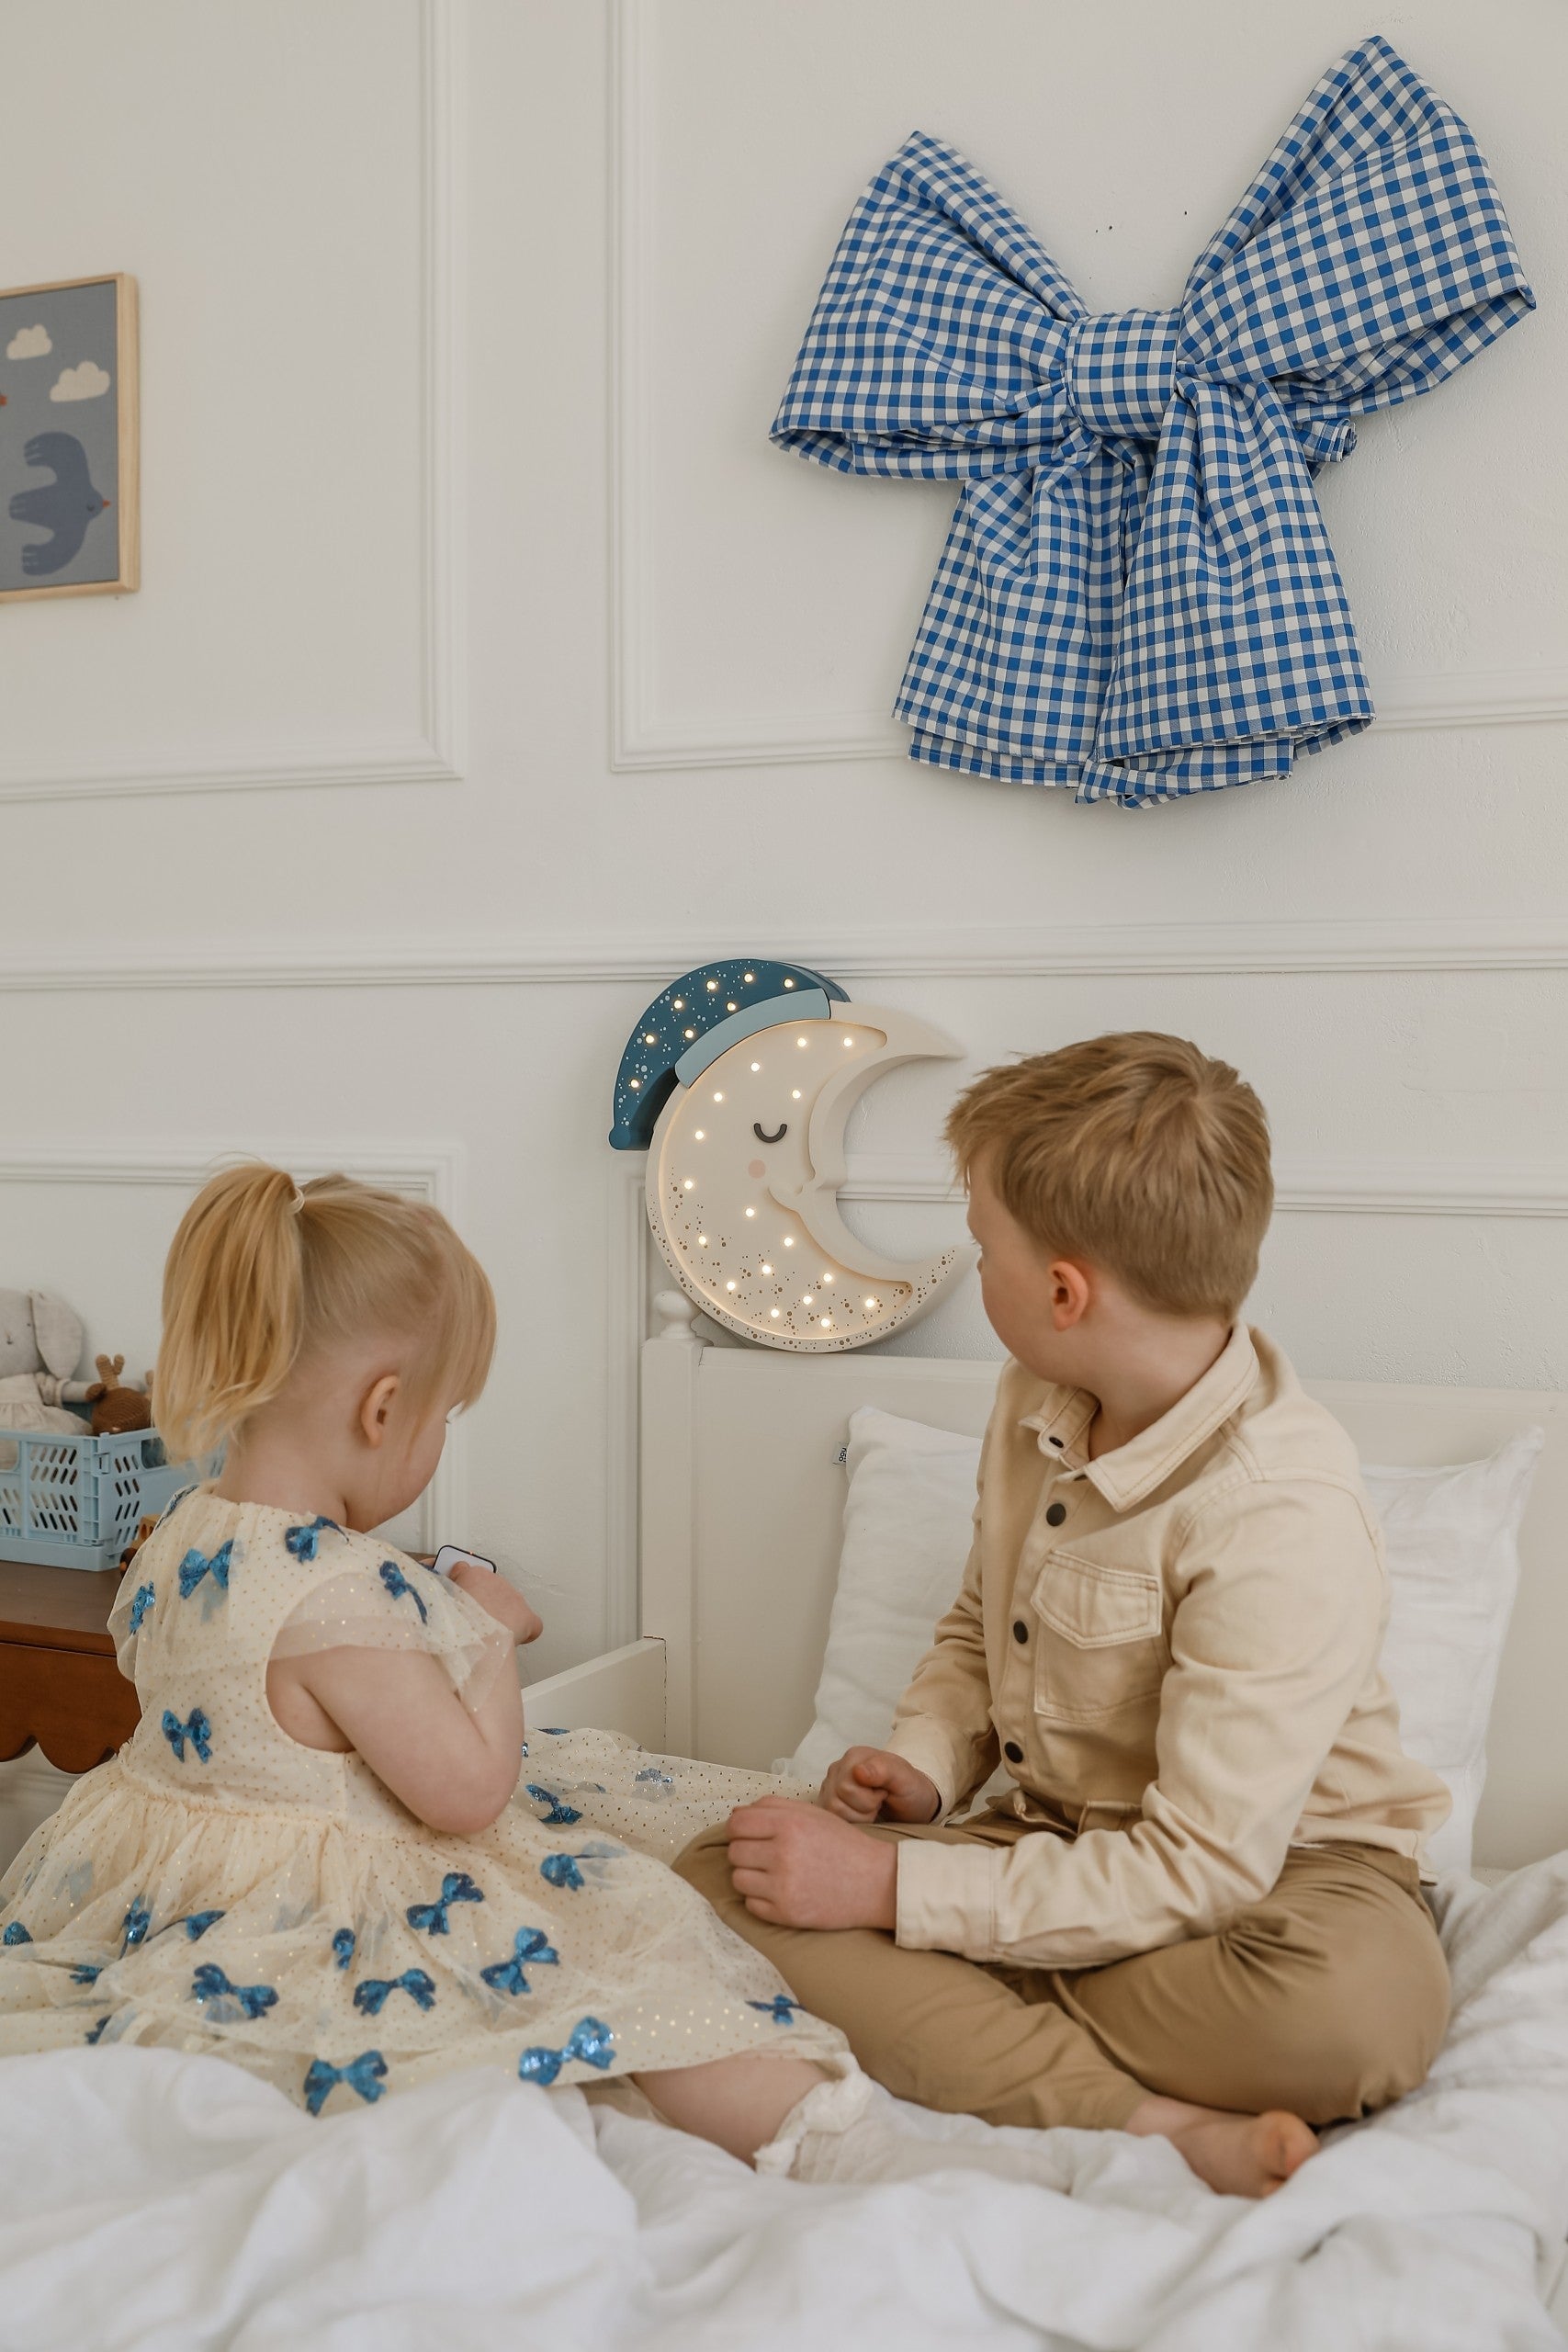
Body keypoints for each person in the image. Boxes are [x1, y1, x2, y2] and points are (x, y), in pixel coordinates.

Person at [0, 1163, 1096, 2195]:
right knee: (622, 1954)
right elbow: (469, 1791)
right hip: (317, 1901)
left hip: (176, 1883)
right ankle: (828, 2135)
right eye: (439, 1420)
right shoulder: (331, 1594)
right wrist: (484, 1639)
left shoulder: (179, 1535)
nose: (429, 1443)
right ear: (383, 1410)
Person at [676, 1034, 1453, 2199]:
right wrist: (929, 1766)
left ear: (1062, 1289)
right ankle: (1154, 2117)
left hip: (1281, 1888)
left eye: (983, 1242)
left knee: (1354, 2025)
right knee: (721, 1875)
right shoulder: (1037, 1397)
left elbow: (1202, 1868)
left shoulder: (1280, 1512)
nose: (973, 1265)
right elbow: (983, 1616)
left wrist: (890, 1895)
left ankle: (960, 2007)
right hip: (1058, 1843)